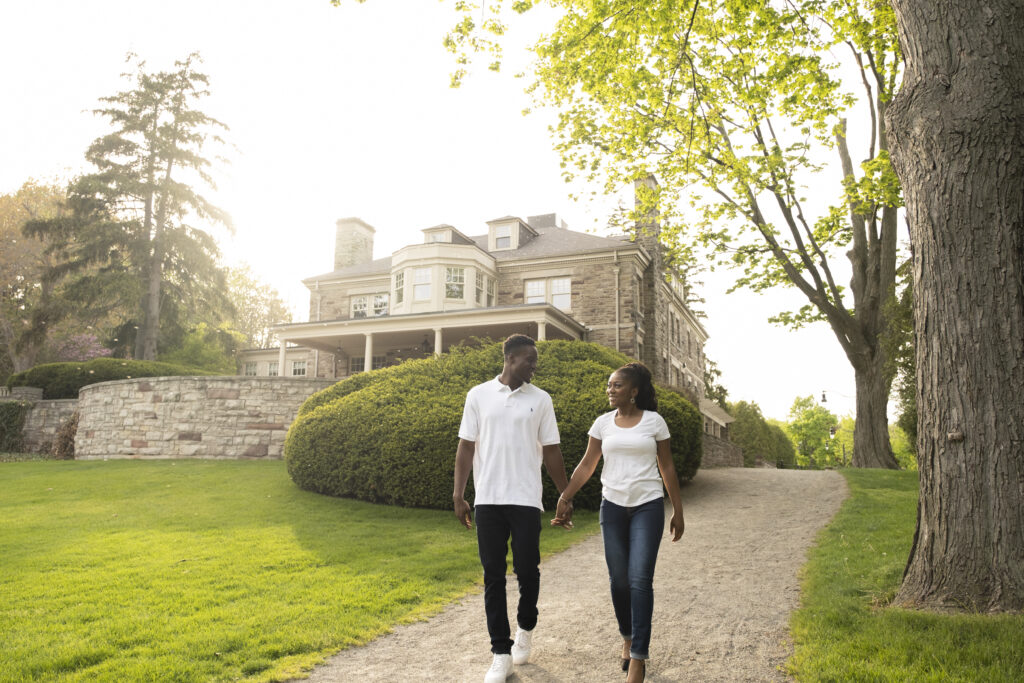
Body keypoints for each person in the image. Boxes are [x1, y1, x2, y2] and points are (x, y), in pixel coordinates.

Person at [553, 362, 685, 683]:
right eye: (609, 385)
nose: (609, 390)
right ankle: (626, 635)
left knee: (640, 580)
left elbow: (666, 467)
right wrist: (566, 496)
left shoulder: (654, 422)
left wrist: (677, 510)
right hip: (611, 507)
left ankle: (639, 657)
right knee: (619, 582)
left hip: (647, 508)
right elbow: (587, 465)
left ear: (634, 391)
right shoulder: (602, 424)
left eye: (616, 386)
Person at [453, 334, 571, 683]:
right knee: (492, 576)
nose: (534, 366)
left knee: (527, 570)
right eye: (529, 360)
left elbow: (551, 452)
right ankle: (500, 653)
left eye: (535, 361)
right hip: (488, 498)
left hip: (525, 499)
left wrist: (564, 494)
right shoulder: (478, 395)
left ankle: (526, 629)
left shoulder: (541, 399)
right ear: (510, 359)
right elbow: (465, 447)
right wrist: (459, 495)